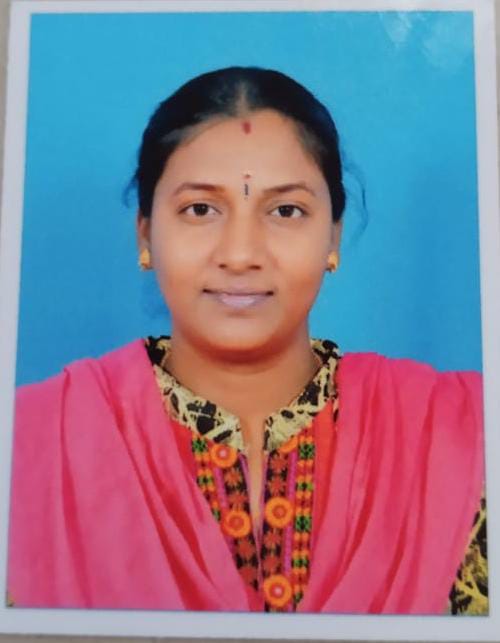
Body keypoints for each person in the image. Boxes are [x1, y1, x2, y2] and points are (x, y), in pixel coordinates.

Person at [7, 67, 487, 614]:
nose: (240, 255)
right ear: (145, 233)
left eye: (285, 211)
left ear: (332, 236)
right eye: (200, 210)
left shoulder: (464, 438)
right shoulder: (28, 447)